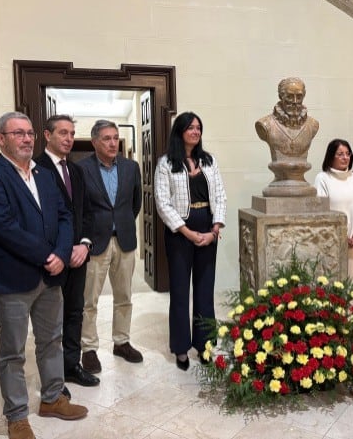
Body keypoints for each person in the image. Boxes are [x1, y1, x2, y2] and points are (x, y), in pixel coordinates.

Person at [0, 111, 87, 439]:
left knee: (52, 340)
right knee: (13, 350)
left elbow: (65, 215)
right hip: (11, 280)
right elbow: (3, 227)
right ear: (1, 139)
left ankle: (52, 398)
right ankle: (17, 416)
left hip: (51, 278)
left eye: (30, 133)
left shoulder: (45, 176)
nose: (26, 139)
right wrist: (47, 255)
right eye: (18, 133)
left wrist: (62, 255)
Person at [154, 111, 227, 371]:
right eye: (190, 128)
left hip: (208, 230)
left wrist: (215, 229)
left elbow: (220, 195)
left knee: (205, 292)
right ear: (180, 131)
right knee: (180, 292)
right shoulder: (166, 163)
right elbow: (162, 203)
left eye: (198, 128)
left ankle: (205, 344)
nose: (195, 132)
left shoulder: (208, 161)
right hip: (180, 234)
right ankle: (181, 348)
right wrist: (187, 232)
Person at [35, 115, 99, 391]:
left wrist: (84, 244)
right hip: (52, 258)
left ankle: (71, 366)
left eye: (72, 133)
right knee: (51, 320)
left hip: (78, 256)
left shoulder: (76, 171)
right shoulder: (35, 168)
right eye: (63, 132)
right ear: (47, 135)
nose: (69, 138)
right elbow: (38, 218)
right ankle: (53, 378)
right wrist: (61, 251)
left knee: (75, 311)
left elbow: (85, 212)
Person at [78, 119, 143, 373]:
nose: (113, 142)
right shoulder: (81, 169)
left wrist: (122, 222)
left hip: (124, 241)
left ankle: (122, 342)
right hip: (95, 244)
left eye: (115, 137)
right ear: (94, 141)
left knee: (124, 297)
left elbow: (135, 203)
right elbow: (79, 208)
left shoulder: (131, 167)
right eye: (106, 138)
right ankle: (89, 348)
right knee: (89, 300)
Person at [315, 139, 353, 282]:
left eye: (347, 154)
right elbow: (320, 211)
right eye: (340, 154)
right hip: (330, 241)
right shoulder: (323, 178)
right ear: (331, 156)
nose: (345, 157)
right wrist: (339, 235)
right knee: (331, 283)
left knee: (350, 282)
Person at [255, 77, 319, 196]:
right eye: (289, 96)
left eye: (299, 97)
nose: (295, 101)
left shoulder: (313, 125)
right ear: (281, 96)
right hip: (278, 185)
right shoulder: (266, 124)